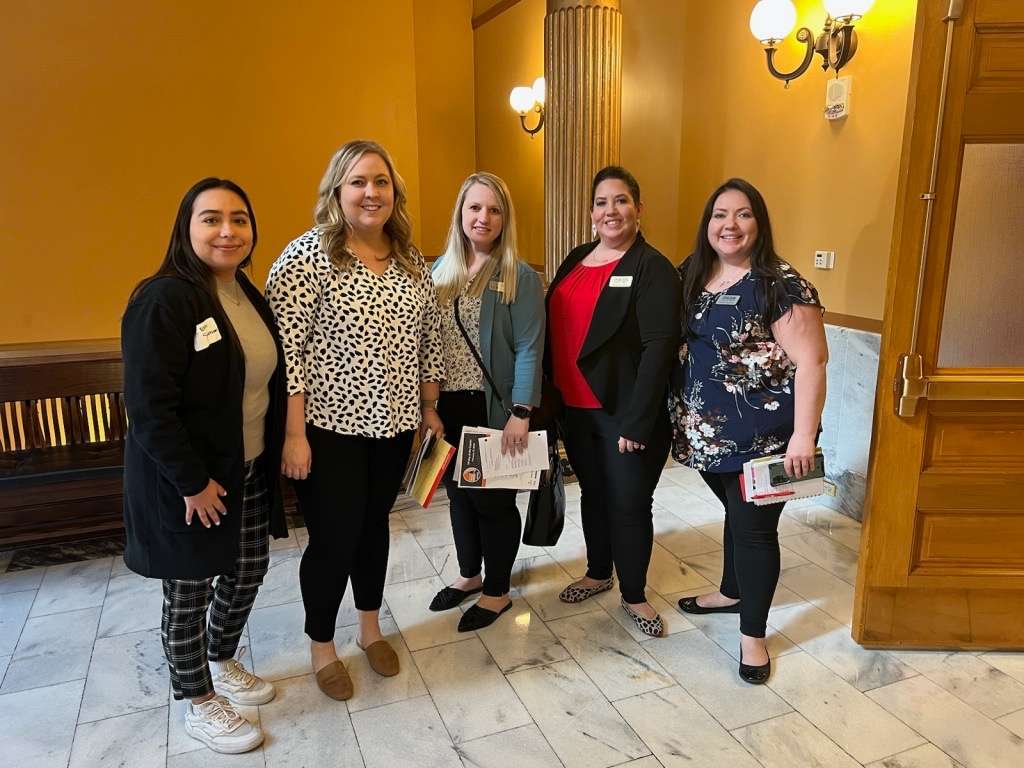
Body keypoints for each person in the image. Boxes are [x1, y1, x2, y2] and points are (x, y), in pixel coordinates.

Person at [266, 140, 444, 701]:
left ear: (395, 193)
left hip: (393, 428)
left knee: (373, 533)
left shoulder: (411, 259)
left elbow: (428, 339)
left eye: (382, 182)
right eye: (359, 182)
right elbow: (287, 356)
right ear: (337, 191)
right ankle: (322, 645)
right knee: (333, 540)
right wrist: (293, 435)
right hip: (327, 431)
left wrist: (429, 406)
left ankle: (370, 629)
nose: (372, 193)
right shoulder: (306, 258)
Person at [121, 178, 288, 754]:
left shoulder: (243, 290)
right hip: (189, 480)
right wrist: (191, 481)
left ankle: (221, 659)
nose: (226, 230)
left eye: (239, 219)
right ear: (186, 227)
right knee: (188, 589)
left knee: (247, 571)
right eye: (211, 218)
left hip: (246, 466)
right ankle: (196, 699)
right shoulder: (164, 298)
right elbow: (147, 408)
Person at [670, 178, 827, 684]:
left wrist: (804, 436)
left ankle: (752, 638)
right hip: (709, 436)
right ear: (707, 223)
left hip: (767, 439)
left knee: (755, 532)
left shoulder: (781, 284)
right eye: (720, 214)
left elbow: (812, 361)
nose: (729, 225)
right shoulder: (693, 274)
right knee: (737, 517)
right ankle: (731, 591)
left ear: (759, 224)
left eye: (742, 215)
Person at [545, 166, 680, 637]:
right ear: (591, 212)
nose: (611, 211)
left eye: (621, 201)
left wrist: (638, 422)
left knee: (628, 502)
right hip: (576, 409)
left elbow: (659, 348)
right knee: (595, 496)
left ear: (638, 209)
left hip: (624, 413)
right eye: (602, 202)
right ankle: (599, 572)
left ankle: (635, 595)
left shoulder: (653, 268)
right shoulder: (577, 258)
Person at [427, 172, 544, 631]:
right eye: (475, 207)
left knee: (492, 503)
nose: (484, 217)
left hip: (494, 409)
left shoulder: (519, 276)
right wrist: (427, 406)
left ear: (505, 219)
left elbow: (530, 346)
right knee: (459, 498)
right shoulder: (440, 273)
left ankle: (497, 592)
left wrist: (520, 412)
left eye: (494, 210)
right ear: (461, 212)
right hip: (448, 407)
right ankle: (469, 575)